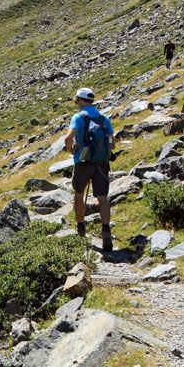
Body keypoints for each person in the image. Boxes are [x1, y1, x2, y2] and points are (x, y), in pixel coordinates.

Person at [64, 88, 116, 251]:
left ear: (79, 100)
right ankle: (106, 233)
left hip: (83, 161)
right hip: (101, 162)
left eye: (76, 100)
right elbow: (112, 144)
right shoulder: (103, 118)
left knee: (79, 195)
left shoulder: (78, 117)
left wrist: (72, 150)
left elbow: (68, 138)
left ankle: (81, 230)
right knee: (103, 197)